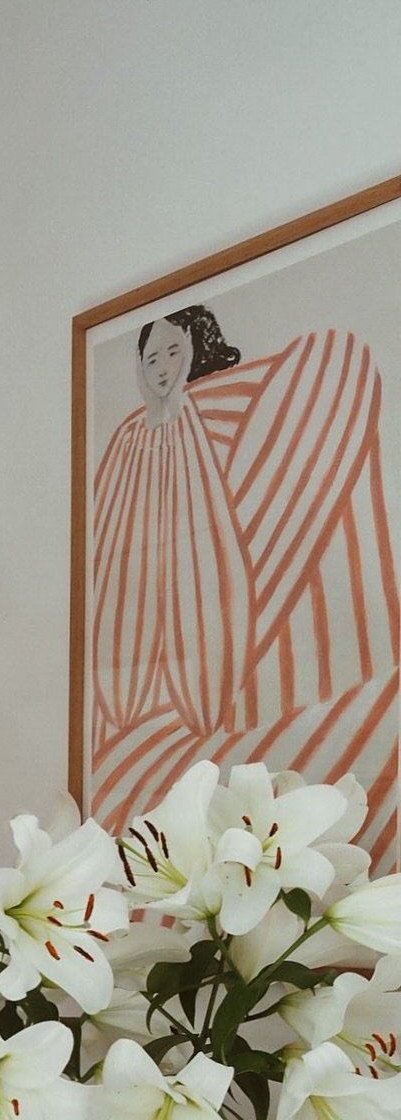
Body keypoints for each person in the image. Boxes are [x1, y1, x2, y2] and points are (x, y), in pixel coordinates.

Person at [89, 303, 401, 860]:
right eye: (151, 357)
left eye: (173, 352)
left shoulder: (269, 398)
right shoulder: (131, 441)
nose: (161, 367)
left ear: (197, 349)